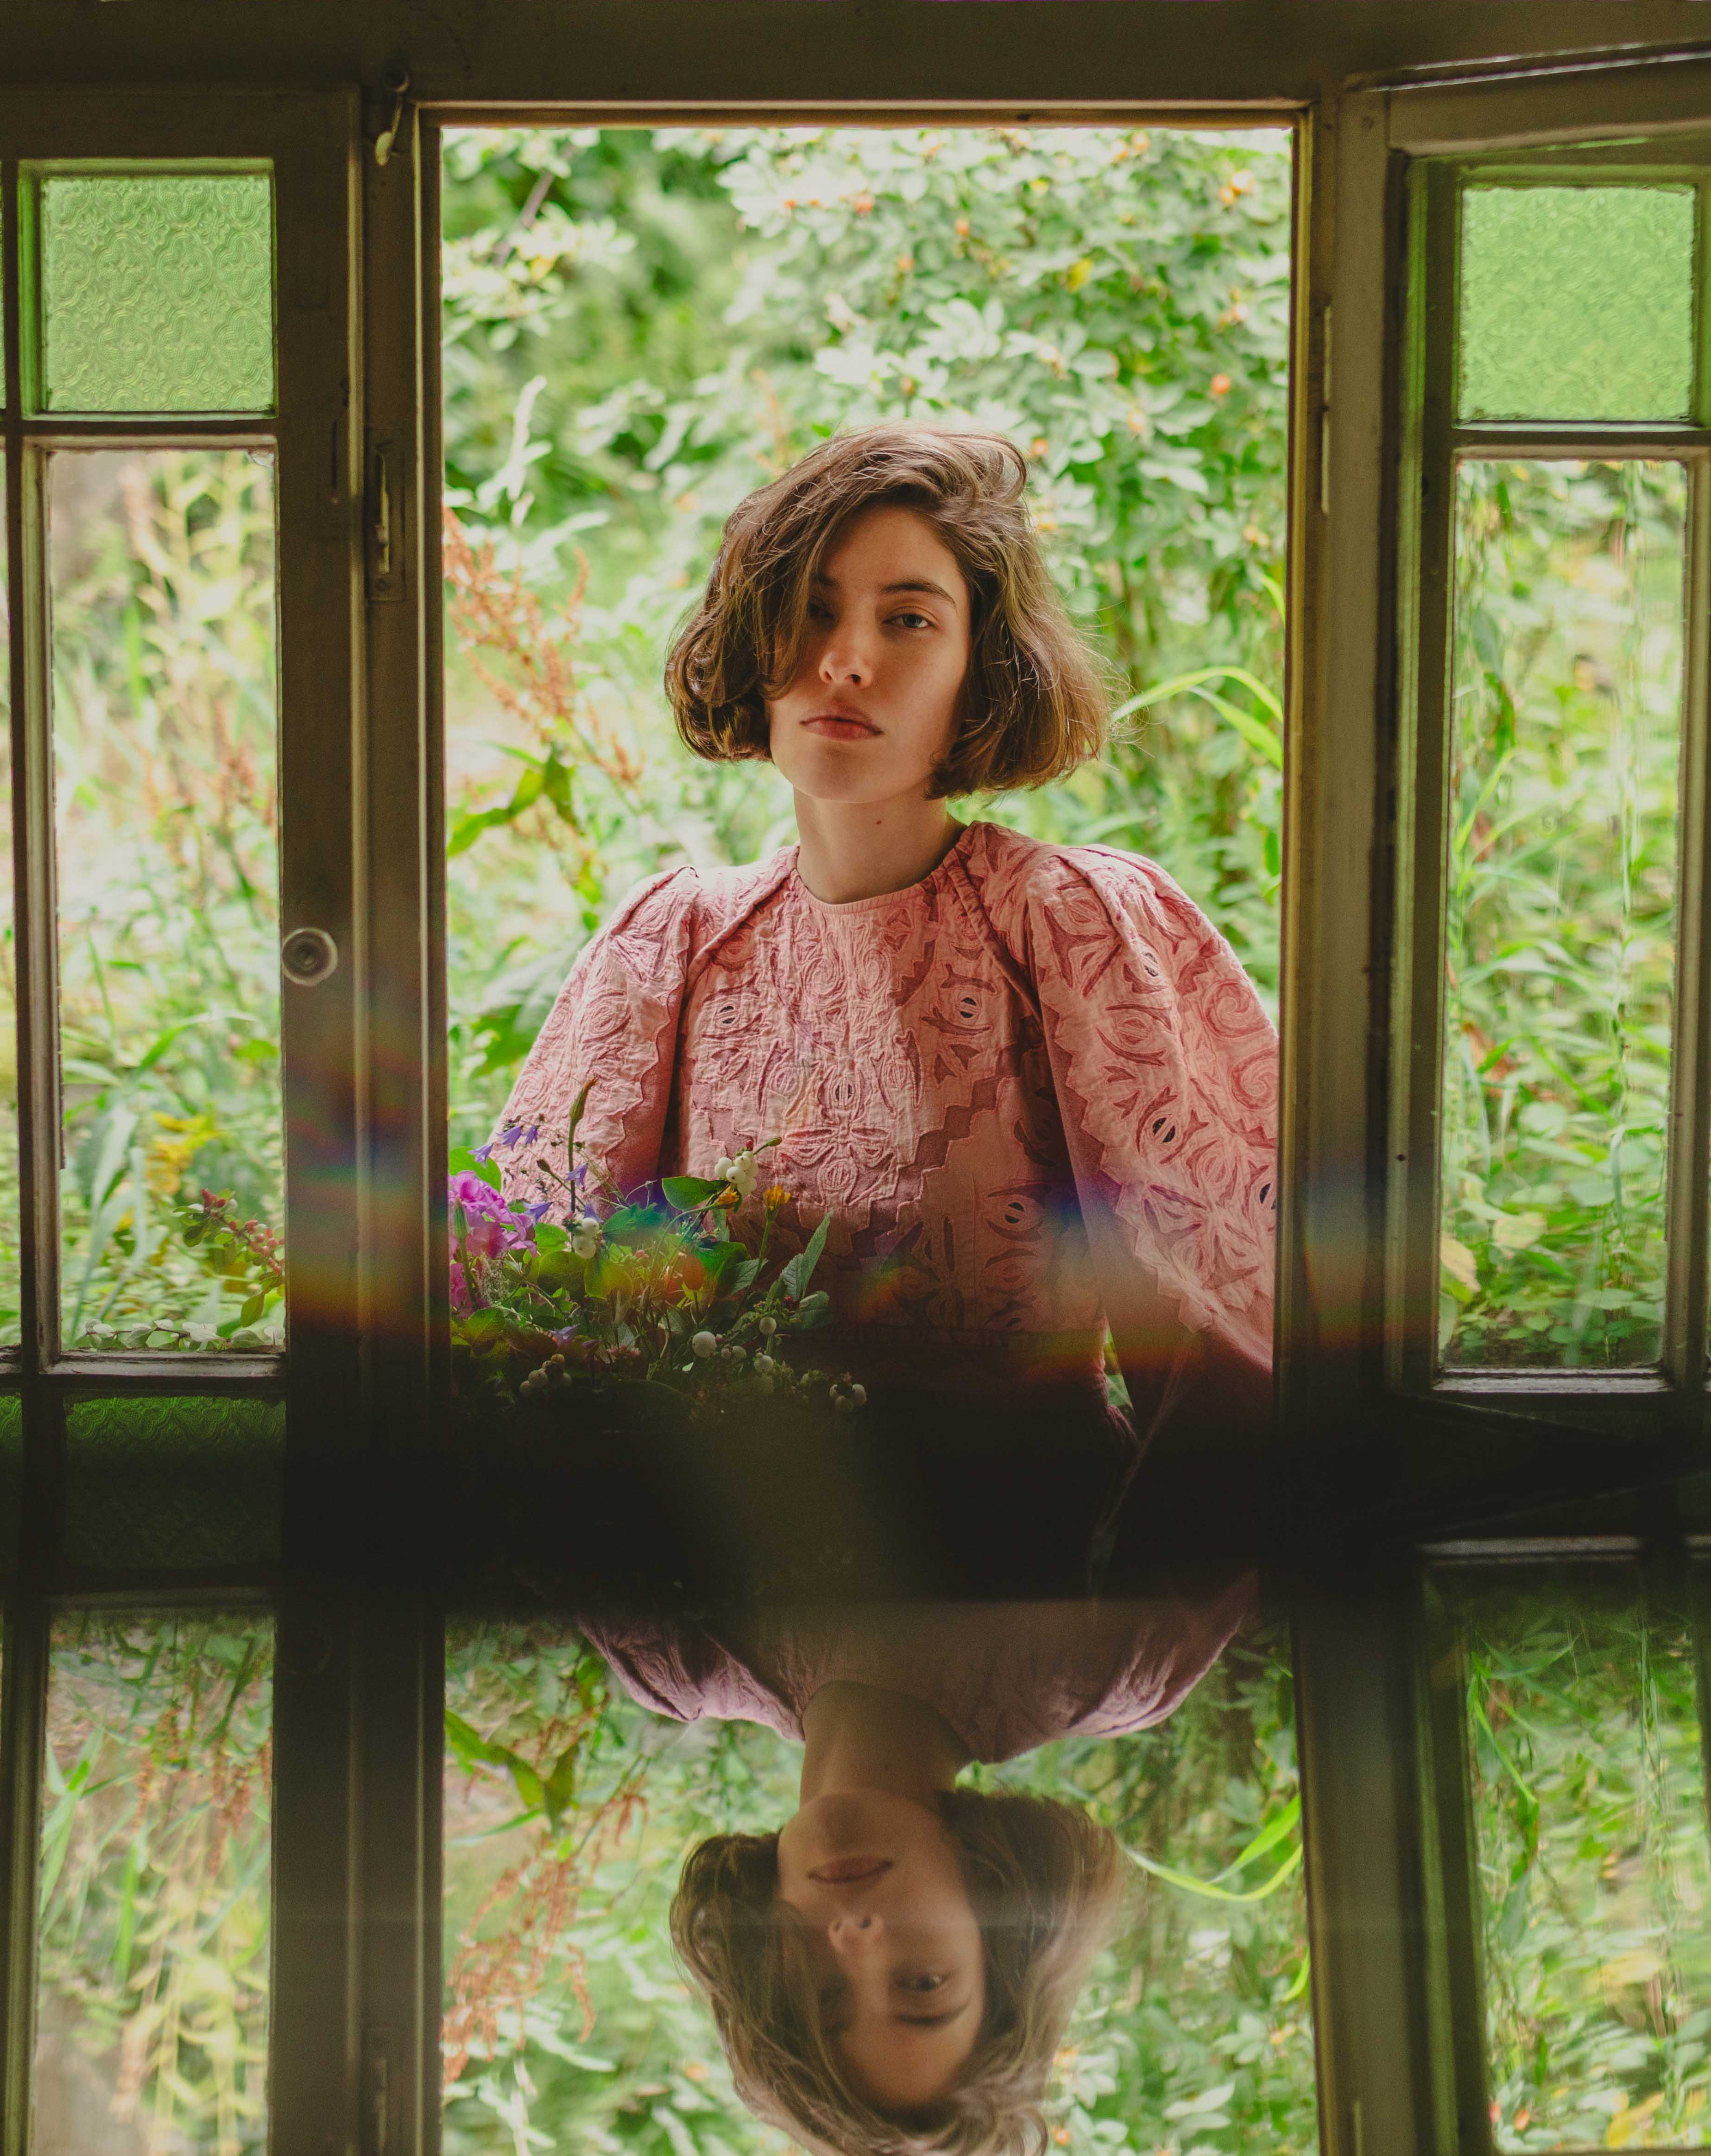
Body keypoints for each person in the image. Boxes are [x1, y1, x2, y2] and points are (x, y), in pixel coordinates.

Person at [488, 425, 1278, 1443]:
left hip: (1026, 1566)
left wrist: (1124, 1600)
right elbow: (538, 1309)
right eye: (810, 609)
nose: (847, 659)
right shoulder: (668, 943)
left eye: (908, 619)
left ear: (981, 668)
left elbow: (1230, 1362)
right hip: (720, 1571)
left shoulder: (1071, 924)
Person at [591, 1584, 1257, 2156]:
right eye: (923, 1983)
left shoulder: (668, 1648)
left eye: (826, 1997)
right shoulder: (1121, 1654)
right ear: (994, 1922)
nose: (855, 1937)